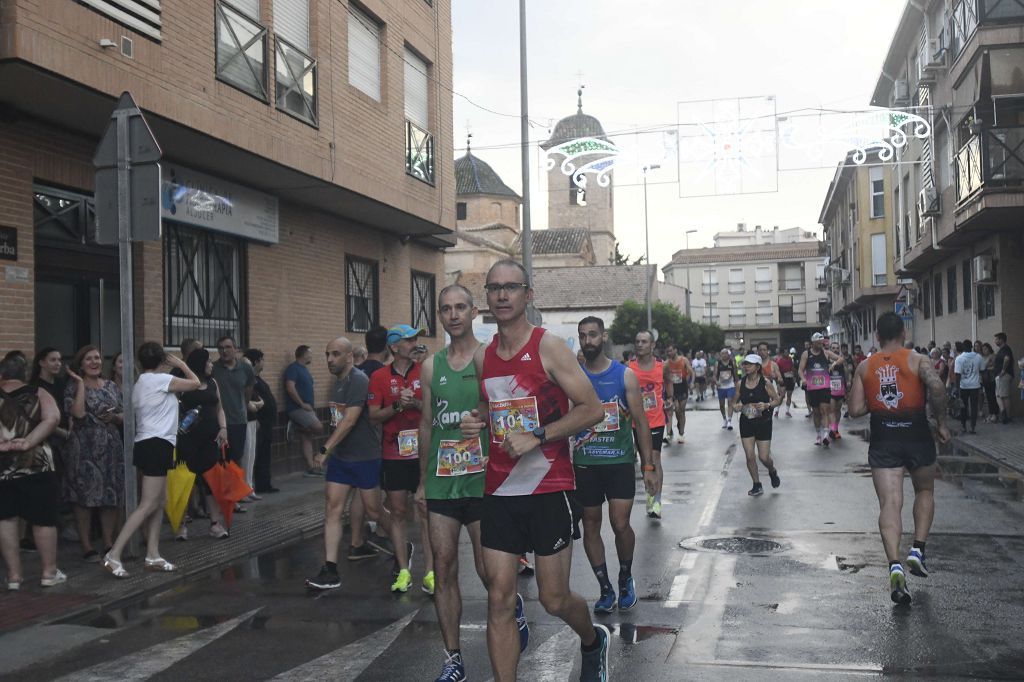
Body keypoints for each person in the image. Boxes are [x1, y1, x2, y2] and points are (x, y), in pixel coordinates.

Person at [459, 259, 610, 682]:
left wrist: (538, 436)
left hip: (550, 487)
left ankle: (592, 640)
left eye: (511, 287)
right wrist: (477, 420)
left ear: (529, 295)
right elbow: (491, 408)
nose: (502, 295)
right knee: (499, 599)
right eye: (494, 288)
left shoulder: (549, 346)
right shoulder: (481, 356)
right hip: (500, 490)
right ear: (486, 298)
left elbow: (592, 410)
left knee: (554, 599)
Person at [413, 285, 511, 682]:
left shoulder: (489, 357)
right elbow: (424, 425)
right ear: (439, 316)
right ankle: (453, 658)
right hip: (442, 483)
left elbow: (505, 410)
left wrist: (487, 426)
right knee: (444, 567)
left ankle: (509, 607)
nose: (453, 315)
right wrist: (421, 483)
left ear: (473, 312)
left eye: (460, 308)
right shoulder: (430, 367)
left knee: (490, 572)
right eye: (445, 309)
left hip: (483, 480)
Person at [848, 313, 951, 605]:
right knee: (925, 490)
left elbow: (854, 409)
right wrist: (942, 423)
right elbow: (938, 388)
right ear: (903, 333)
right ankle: (917, 550)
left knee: (890, 503)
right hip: (916, 431)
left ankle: (895, 565)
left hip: (884, 435)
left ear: (877, 336)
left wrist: (878, 399)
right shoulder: (918, 360)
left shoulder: (865, 366)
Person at [575, 316, 657, 613]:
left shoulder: (625, 376)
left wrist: (648, 466)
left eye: (593, 335)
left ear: (603, 337)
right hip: (585, 463)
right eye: (583, 336)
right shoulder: (574, 377)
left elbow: (641, 423)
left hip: (619, 460)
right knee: (591, 525)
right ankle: (605, 587)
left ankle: (625, 576)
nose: (588, 341)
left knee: (620, 523)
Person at [306, 337, 402, 591]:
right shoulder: (337, 383)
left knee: (374, 511)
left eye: (335, 354)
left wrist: (325, 449)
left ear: (349, 356)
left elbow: (349, 421)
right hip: (342, 459)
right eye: (327, 354)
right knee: (332, 509)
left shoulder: (358, 380)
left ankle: (402, 546)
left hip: (365, 457)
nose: (329, 359)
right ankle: (330, 569)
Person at [103, 343, 200, 578]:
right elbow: (196, 383)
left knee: (159, 500)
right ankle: (113, 554)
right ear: (162, 361)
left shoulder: (140, 384)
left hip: (153, 443)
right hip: (156, 443)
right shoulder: (159, 380)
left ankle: (153, 554)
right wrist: (181, 364)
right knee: (147, 504)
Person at [368, 324, 434, 594]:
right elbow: (373, 416)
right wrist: (396, 405)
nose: (414, 343)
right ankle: (403, 569)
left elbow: (433, 409)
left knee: (425, 510)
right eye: (409, 340)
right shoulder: (380, 377)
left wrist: (415, 404)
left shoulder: (425, 371)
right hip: (394, 452)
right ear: (395, 347)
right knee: (397, 511)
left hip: (422, 451)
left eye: (415, 338)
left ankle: (430, 572)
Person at [0, 352, 64, 589]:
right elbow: (53, 418)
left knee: (5, 518)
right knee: (43, 518)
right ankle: (49, 572)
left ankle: (14, 577)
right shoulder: (38, 392)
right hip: (37, 463)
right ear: (25, 373)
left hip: (2, 466)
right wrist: (28, 441)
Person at [63, 346, 124, 562]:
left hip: (110, 447)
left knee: (110, 494)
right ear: (80, 364)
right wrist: (80, 384)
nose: (94, 362)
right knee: (83, 497)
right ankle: (87, 545)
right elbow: (78, 413)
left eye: (97, 357)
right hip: (83, 449)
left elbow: (125, 414)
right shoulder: (72, 387)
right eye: (88, 359)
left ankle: (108, 542)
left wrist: (116, 418)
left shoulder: (111, 386)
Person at [176, 348, 231, 539]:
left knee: (211, 481)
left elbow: (220, 408)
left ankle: (215, 523)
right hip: (187, 439)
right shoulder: (184, 385)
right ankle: (181, 523)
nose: (211, 364)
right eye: (208, 361)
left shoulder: (213, 383)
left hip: (210, 439)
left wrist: (223, 428)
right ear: (199, 363)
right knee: (186, 482)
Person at [629, 330, 671, 519]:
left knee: (654, 458)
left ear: (652, 345)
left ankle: (656, 500)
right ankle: (649, 490)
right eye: (637, 341)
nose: (640, 345)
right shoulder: (628, 368)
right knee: (645, 460)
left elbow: (669, 384)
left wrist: (669, 399)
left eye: (644, 341)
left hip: (655, 420)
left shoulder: (662, 367)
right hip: (637, 421)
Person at [732, 354, 781, 497]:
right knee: (749, 456)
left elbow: (777, 400)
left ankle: (772, 471)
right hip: (747, 422)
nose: (746, 367)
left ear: (758, 367)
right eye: (745, 364)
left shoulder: (765, 383)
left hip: (763, 422)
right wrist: (738, 406)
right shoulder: (740, 384)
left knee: (764, 457)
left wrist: (767, 404)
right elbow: (734, 403)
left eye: (749, 364)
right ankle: (757, 484)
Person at [211, 336, 255, 465]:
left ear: (235, 349)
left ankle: (234, 485)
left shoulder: (246, 368)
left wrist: (243, 407)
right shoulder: (213, 369)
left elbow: (248, 391)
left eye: (228, 347)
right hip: (217, 422)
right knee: (218, 459)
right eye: (221, 348)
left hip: (238, 420)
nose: (224, 351)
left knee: (235, 458)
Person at [285, 345, 324, 477]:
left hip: (307, 408)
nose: (311, 356)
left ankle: (311, 467)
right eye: (310, 354)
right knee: (318, 428)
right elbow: (290, 388)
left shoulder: (304, 370)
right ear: (303, 354)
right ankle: (297, 427)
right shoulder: (293, 368)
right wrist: (302, 404)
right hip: (298, 408)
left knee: (307, 437)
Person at [244, 349, 279, 493]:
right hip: (257, 423)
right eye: (262, 360)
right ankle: (255, 485)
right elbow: (251, 401)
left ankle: (264, 484)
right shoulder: (251, 380)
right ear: (257, 361)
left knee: (263, 454)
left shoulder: (258, 378)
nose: (264, 362)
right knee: (256, 455)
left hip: (266, 423)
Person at [799, 332, 835, 447]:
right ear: (813, 343)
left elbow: (840, 358)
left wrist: (832, 365)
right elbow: (800, 370)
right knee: (816, 412)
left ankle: (825, 435)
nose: (821, 345)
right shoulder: (806, 354)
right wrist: (803, 379)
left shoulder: (826, 352)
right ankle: (819, 435)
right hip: (812, 387)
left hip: (824, 387)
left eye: (822, 343)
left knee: (824, 410)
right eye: (819, 343)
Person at [953, 339, 984, 435]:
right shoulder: (978, 357)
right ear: (972, 347)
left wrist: (957, 388)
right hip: (975, 386)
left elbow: (957, 375)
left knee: (963, 407)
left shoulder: (959, 358)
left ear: (963, 347)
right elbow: (982, 370)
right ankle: (973, 427)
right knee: (974, 406)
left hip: (963, 386)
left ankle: (963, 426)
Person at [665, 343, 692, 444]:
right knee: (676, 410)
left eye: (670, 350)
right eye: (667, 351)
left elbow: (691, 372)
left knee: (682, 411)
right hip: (673, 389)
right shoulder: (667, 363)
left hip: (683, 388)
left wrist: (691, 382)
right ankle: (677, 426)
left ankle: (681, 433)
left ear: (675, 350)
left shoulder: (683, 360)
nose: (669, 353)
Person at [828, 341, 850, 440]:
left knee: (838, 410)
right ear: (830, 349)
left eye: (837, 348)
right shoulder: (827, 359)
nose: (836, 350)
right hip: (830, 389)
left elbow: (846, 372)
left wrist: (848, 381)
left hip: (840, 388)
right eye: (833, 348)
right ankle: (833, 430)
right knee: (832, 410)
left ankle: (835, 429)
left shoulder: (842, 360)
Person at [756, 343, 782, 418]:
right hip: (756, 392)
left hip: (769, 393)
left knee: (767, 415)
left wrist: (776, 377)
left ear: (768, 351)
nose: (762, 352)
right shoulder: (754, 365)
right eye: (760, 350)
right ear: (757, 351)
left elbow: (780, 380)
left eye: (764, 350)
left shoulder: (773, 364)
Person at [994, 332, 1015, 424]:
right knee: (1000, 395)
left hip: (1004, 375)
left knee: (1004, 395)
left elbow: (1007, 359)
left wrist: (1003, 370)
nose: (995, 341)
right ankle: (1004, 413)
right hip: (1001, 376)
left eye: (996, 339)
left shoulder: (1006, 349)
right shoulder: (1002, 349)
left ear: (1001, 340)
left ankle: (1006, 415)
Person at [716, 349, 737, 430]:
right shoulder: (717, 363)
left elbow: (735, 374)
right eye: (722, 354)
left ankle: (729, 421)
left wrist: (737, 383)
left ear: (728, 355)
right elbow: (714, 375)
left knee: (730, 401)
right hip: (721, 386)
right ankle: (724, 418)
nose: (724, 355)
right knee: (721, 405)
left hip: (730, 385)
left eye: (725, 354)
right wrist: (716, 381)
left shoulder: (732, 363)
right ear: (721, 355)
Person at [775, 348, 796, 417]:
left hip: (790, 379)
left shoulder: (790, 359)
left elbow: (792, 368)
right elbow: (776, 372)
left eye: (788, 352)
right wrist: (778, 382)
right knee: (782, 395)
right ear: (782, 353)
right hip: (783, 379)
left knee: (789, 395)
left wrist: (793, 376)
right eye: (786, 352)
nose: (787, 354)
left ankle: (787, 411)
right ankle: (777, 410)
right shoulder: (779, 361)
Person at [981, 342, 998, 422]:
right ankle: (990, 413)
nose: (984, 351)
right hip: (985, 379)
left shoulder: (992, 356)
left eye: (985, 349)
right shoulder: (983, 357)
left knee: (992, 397)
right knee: (988, 397)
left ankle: (994, 414)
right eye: (983, 349)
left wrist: (987, 367)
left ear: (989, 348)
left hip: (992, 379)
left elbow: (995, 367)